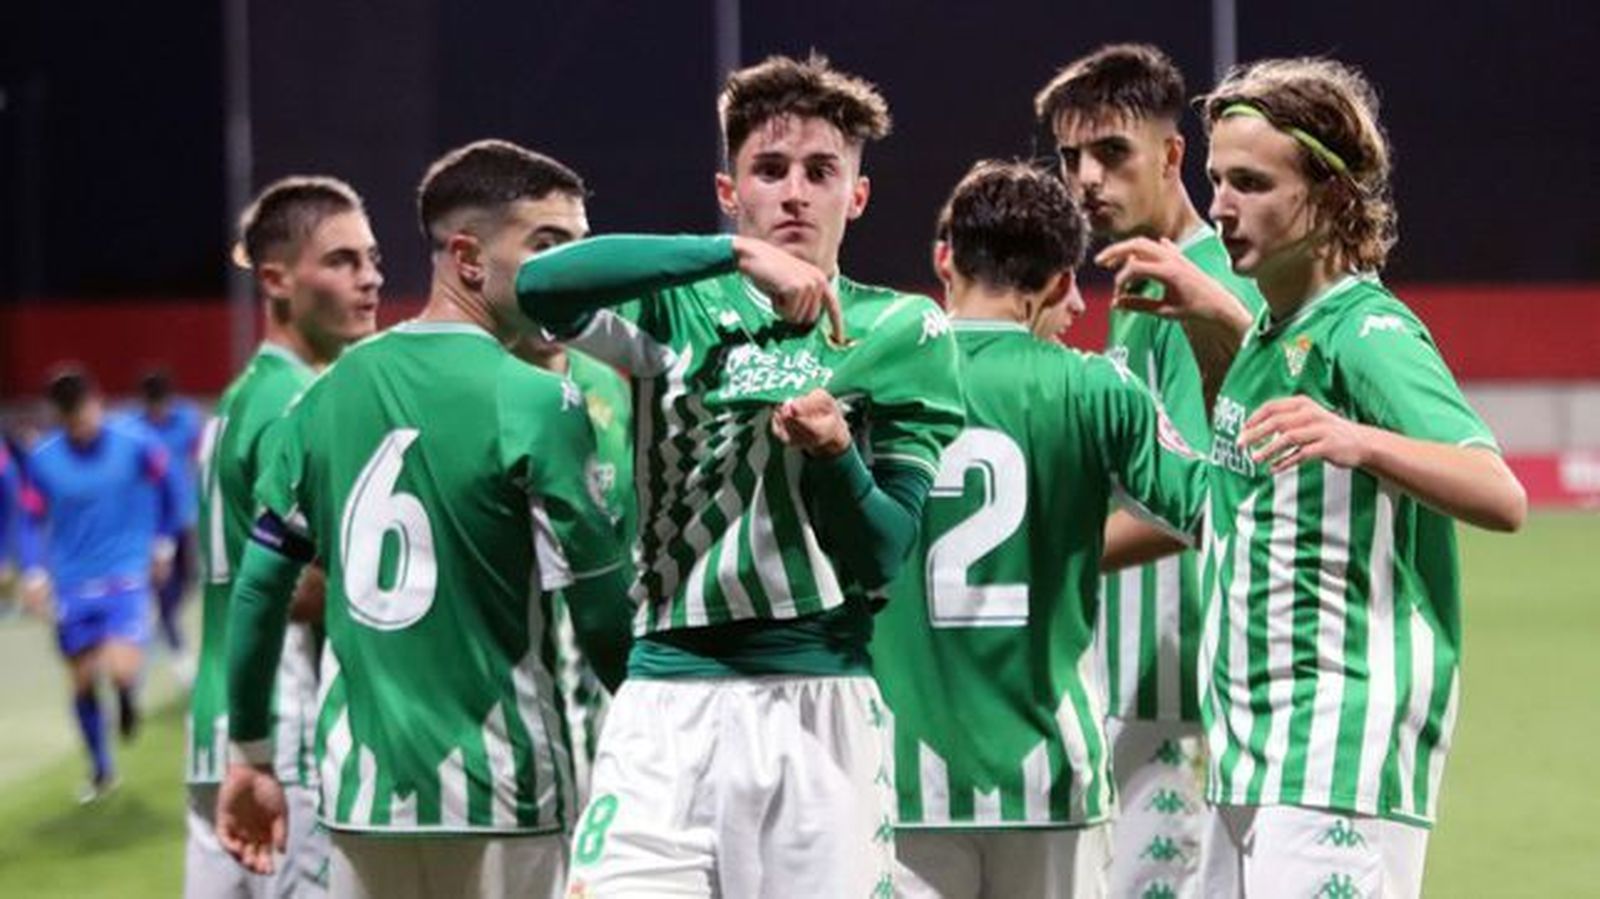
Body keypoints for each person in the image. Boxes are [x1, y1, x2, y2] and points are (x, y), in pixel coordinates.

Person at [517, 54, 966, 898]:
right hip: (664, 706)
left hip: (818, 706)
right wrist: (727, 257)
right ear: (732, 191)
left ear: (855, 197)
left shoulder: (903, 329)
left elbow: (883, 556)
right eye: (769, 169)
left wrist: (837, 457)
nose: (794, 191)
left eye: (820, 171)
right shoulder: (676, 309)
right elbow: (539, 286)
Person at [1097, 57, 1526, 898]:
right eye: (1218, 179)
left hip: (1337, 743)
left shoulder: (1366, 330)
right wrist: (1212, 323)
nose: (1220, 205)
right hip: (1251, 746)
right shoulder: (1269, 336)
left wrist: (1360, 440)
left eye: (1252, 182)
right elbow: (1232, 498)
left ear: (1329, 196)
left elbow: (1498, 491)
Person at [216, 140, 633, 899]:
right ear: (468, 257)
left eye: (581, 250)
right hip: (504, 788)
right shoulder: (539, 401)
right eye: (549, 247)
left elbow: (256, 593)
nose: (576, 275)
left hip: (361, 795)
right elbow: (601, 614)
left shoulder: (323, 396)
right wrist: (656, 731)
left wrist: (250, 753)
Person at [874, 161, 1208, 898]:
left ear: (944, 258)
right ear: (1061, 285)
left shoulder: (873, 379)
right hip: (1051, 772)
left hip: (902, 776)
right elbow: (1212, 509)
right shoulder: (1096, 388)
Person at [1034, 43, 1266, 897]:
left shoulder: (1198, 287)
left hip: (1180, 691)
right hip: (1134, 678)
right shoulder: (1136, 290)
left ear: (1173, 157)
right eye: (1070, 158)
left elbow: (1205, 494)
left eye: (1111, 153)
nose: (1086, 178)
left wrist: (1045, 551)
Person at [186, 175, 383, 898]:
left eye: (371, 257)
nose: (369, 278)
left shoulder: (241, 394)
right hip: (278, 729)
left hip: (216, 729)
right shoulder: (297, 403)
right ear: (275, 278)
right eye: (341, 260)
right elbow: (291, 588)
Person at [17, 368, 183, 801]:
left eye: (85, 410)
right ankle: (101, 768)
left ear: (97, 400)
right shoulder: (44, 459)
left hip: (125, 574)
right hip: (71, 580)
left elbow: (171, 487)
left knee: (121, 666)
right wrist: (34, 572)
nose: (81, 422)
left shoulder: (136, 443)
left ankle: (128, 694)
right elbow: (30, 521)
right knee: (83, 680)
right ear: (60, 415)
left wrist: (164, 542)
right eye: (70, 416)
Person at [514, 334, 634, 806]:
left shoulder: (605, 380)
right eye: (535, 254)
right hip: (528, 652)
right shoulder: (491, 381)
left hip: (608, 647)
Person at [136, 368, 206, 662]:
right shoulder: (136, 430)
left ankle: (161, 619)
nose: (158, 409)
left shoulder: (187, 421)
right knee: (163, 586)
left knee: (188, 578)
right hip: (150, 520)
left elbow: (201, 458)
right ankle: (175, 645)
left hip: (185, 516)